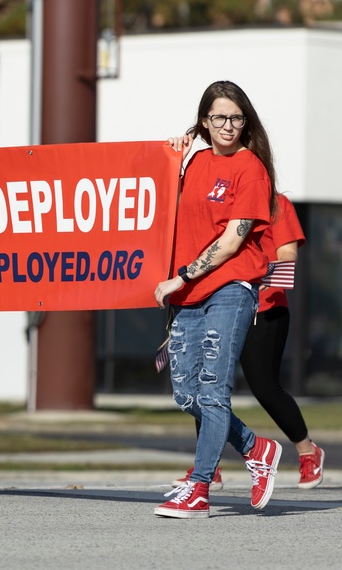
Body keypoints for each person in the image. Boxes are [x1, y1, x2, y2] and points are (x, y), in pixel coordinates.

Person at [153, 80, 283, 519]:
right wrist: (173, 153)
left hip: (230, 288)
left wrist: (181, 276)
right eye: (218, 117)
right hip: (188, 295)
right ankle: (257, 447)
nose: (228, 125)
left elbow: (231, 241)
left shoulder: (251, 169)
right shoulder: (192, 163)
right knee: (186, 395)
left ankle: (200, 488)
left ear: (246, 121)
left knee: (212, 392)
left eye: (236, 117)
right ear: (204, 121)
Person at [171, 193, 324, 490]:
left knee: (264, 387)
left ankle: (308, 450)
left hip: (264, 308)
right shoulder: (213, 205)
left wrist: (256, 275)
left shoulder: (276, 204)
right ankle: (209, 466)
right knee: (207, 384)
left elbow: (288, 256)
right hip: (215, 305)